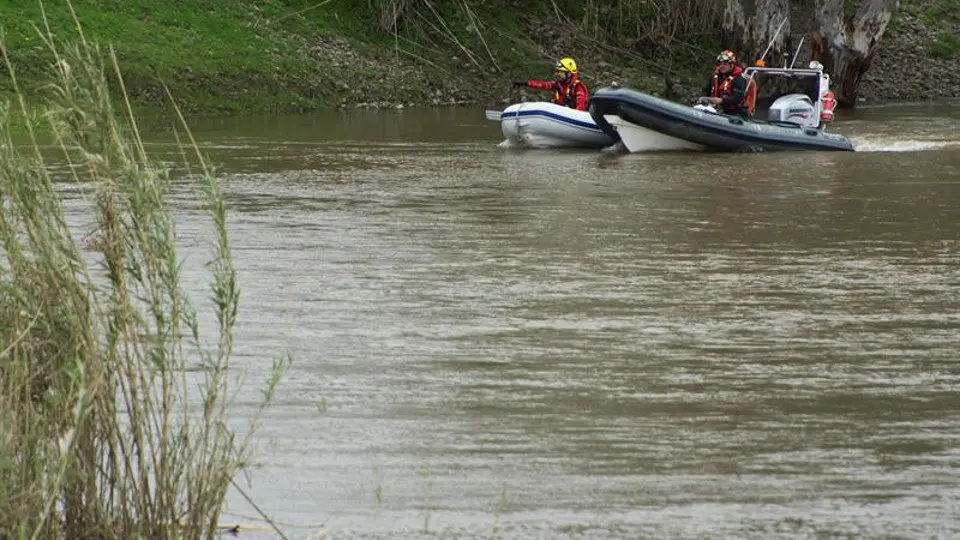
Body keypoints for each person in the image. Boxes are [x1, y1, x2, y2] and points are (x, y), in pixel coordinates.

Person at [513, 57, 589, 111]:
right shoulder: (558, 85)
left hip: (572, 119)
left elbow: (580, 108)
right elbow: (542, 85)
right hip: (561, 115)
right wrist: (525, 83)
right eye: (557, 71)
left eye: (560, 72)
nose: (557, 74)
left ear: (569, 73)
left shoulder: (578, 87)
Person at [703, 50, 751, 118]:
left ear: (732, 65)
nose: (722, 66)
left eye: (725, 64)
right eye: (720, 64)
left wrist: (722, 100)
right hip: (715, 108)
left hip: (734, 112)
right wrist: (704, 100)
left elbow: (738, 98)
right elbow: (706, 91)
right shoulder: (714, 76)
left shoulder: (739, 79)